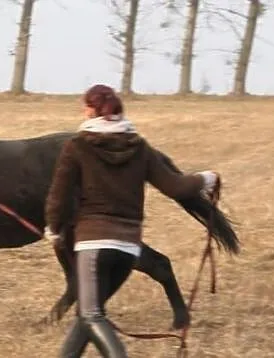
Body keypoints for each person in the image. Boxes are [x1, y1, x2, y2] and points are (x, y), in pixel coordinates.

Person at [44, 84, 219, 358]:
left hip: (93, 246)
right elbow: (176, 187)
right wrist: (206, 179)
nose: (82, 110)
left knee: (90, 316)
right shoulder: (140, 147)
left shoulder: (77, 147)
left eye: (84, 106)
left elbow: (58, 196)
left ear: (91, 110)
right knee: (87, 314)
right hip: (127, 250)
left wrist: (54, 229)